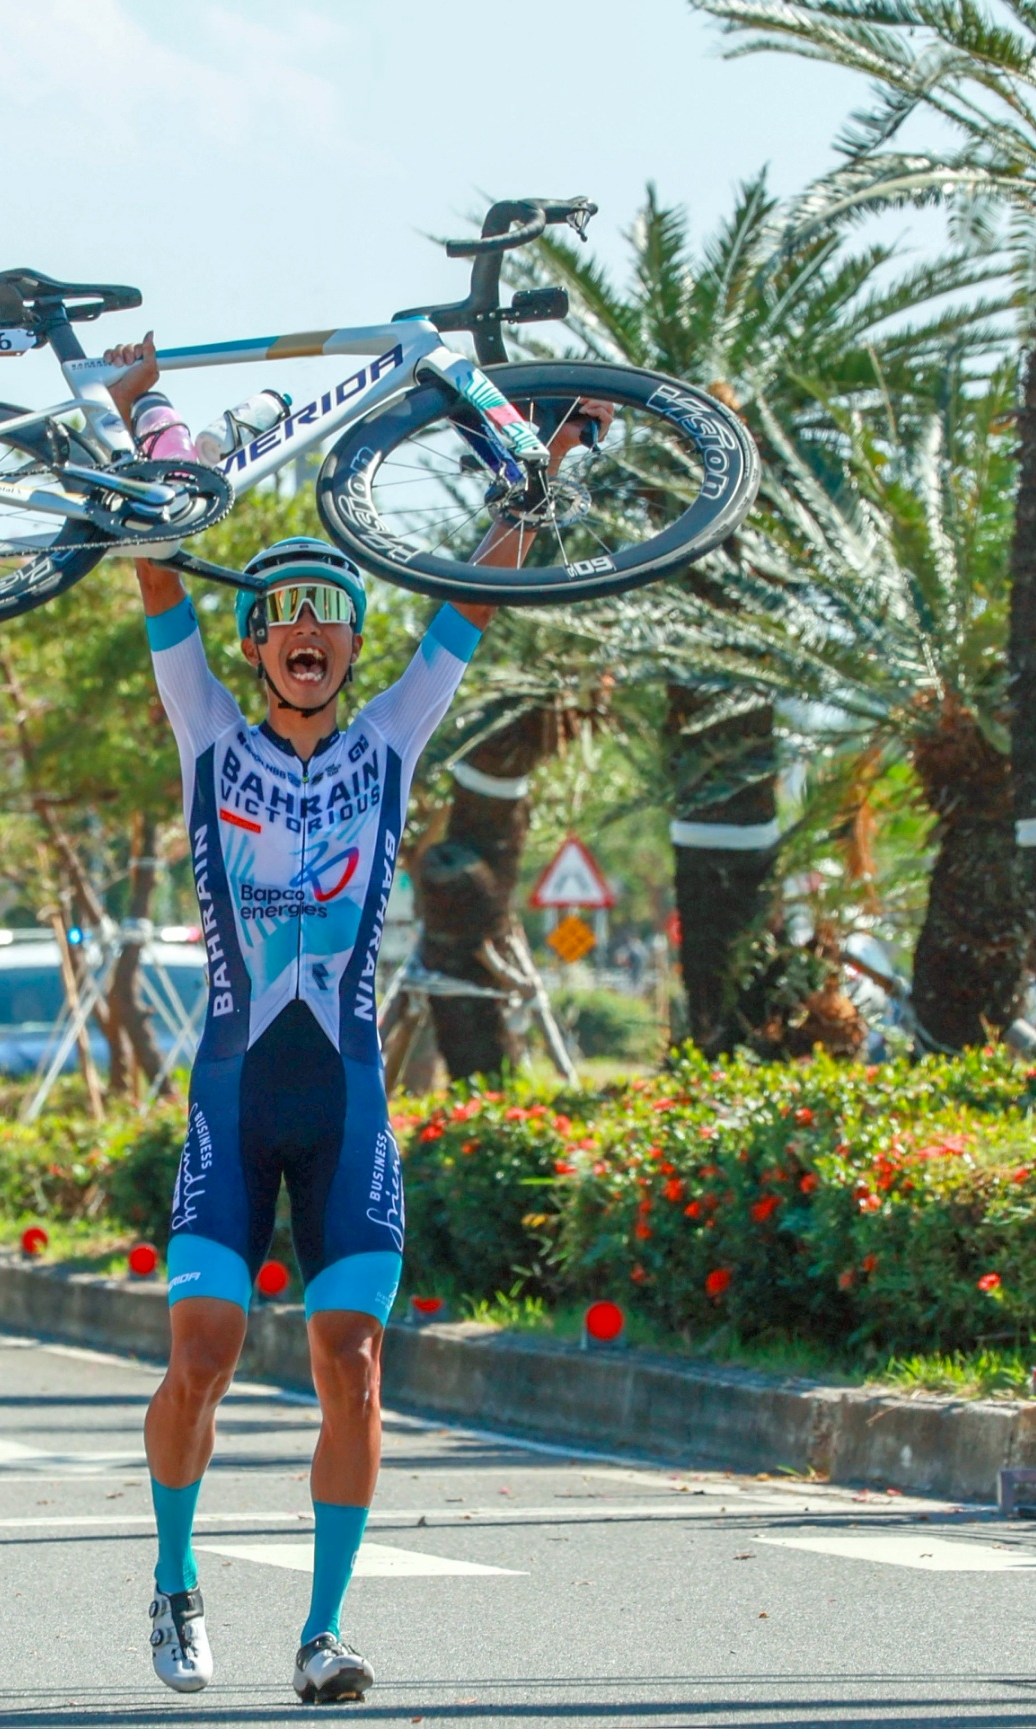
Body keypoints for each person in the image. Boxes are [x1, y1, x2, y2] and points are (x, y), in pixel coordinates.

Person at [103, 334, 604, 1704]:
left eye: (330, 611)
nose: (310, 632)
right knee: (202, 1358)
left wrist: (544, 466)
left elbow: (471, 608)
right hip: (229, 1093)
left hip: (349, 1106)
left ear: (348, 639)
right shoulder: (209, 727)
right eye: (287, 617)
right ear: (260, 645)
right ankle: (174, 1574)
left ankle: (323, 1630)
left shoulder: (389, 739)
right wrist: (144, 405)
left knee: (355, 1362)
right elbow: (159, 570)